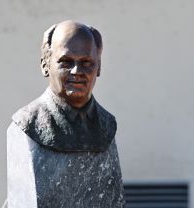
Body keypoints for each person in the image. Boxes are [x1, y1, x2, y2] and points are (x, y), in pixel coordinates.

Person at [11, 20, 116, 153]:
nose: (76, 71)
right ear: (45, 65)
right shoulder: (27, 122)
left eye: (86, 62)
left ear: (99, 66)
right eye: (66, 62)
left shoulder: (108, 124)